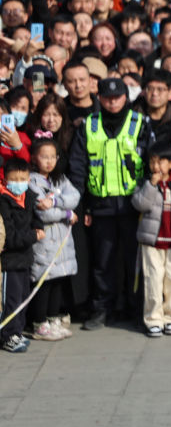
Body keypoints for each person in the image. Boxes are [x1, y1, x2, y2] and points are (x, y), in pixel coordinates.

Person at [67, 77, 152, 330]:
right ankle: (102, 308)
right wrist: (83, 207)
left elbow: (151, 162)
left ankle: (136, 309)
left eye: (117, 97)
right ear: (100, 98)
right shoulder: (89, 125)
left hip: (133, 205)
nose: (112, 101)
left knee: (133, 261)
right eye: (107, 97)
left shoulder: (140, 124)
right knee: (103, 261)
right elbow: (78, 167)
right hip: (101, 205)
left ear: (126, 97)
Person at [131, 140, 171, 338]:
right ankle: (153, 319)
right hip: (151, 241)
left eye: (161, 162)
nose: (156, 167)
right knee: (153, 280)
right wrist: (151, 185)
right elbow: (140, 204)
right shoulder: (145, 183)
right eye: (153, 162)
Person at [26, 137, 80, 341]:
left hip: (62, 242)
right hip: (45, 243)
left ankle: (52, 317)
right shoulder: (31, 181)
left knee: (59, 279)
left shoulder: (60, 179)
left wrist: (56, 200)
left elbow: (74, 196)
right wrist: (67, 214)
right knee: (44, 282)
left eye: (52, 157)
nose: (49, 161)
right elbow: (43, 213)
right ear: (34, 158)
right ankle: (39, 323)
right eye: (44, 157)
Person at [0, 158, 44, 353]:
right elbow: (9, 237)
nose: (19, 183)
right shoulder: (3, 202)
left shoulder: (29, 197)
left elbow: (36, 219)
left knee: (23, 298)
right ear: (5, 180)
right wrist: (33, 236)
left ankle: (17, 332)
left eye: (23, 178)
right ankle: (7, 335)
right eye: (14, 179)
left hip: (25, 258)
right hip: (9, 261)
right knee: (11, 300)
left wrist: (39, 228)